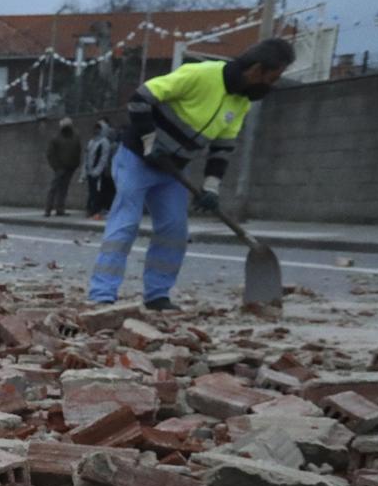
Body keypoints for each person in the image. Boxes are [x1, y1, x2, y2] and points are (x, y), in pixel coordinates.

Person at [89, 38, 296, 312]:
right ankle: (102, 294)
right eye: (273, 77)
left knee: (174, 231)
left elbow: (222, 147)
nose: (272, 85)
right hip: (136, 159)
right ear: (257, 70)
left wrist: (211, 188)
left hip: (173, 171)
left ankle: (157, 295)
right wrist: (150, 141)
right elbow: (140, 98)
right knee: (125, 223)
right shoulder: (200, 74)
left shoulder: (240, 102)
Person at [44, 119, 82, 215]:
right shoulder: (58, 138)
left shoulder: (71, 137)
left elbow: (78, 151)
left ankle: (57, 209)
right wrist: (57, 167)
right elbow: (50, 154)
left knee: (61, 189)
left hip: (68, 167)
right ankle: (50, 209)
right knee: (57, 188)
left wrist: (75, 164)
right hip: (63, 167)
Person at [83, 119, 116, 219]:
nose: (96, 130)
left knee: (97, 192)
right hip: (90, 171)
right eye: (96, 128)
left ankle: (95, 210)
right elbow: (87, 157)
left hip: (99, 172)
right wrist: (85, 172)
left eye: (99, 129)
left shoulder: (104, 142)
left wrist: (97, 171)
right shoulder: (92, 141)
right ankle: (91, 210)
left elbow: (103, 158)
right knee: (92, 192)